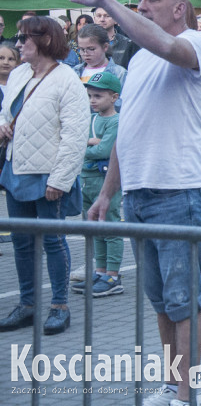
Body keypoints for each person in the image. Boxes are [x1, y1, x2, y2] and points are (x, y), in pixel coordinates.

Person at [72, 0, 201, 406]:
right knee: (161, 303)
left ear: (179, 8)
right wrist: (107, 192)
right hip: (139, 195)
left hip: (182, 194)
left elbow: (165, 45)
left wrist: (106, 1)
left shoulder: (199, 43)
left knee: (184, 302)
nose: (141, 5)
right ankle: (170, 383)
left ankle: (186, 392)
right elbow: (129, 130)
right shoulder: (138, 61)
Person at [0, 17, 89, 335]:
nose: (18, 43)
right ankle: (27, 305)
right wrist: (3, 125)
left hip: (48, 175)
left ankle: (59, 306)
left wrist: (60, 179)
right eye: (18, 37)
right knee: (22, 243)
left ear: (45, 40)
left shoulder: (67, 80)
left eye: (24, 38)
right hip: (16, 171)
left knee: (53, 241)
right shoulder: (19, 74)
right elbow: (6, 112)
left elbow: (75, 136)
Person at [71, 72, 123, 298]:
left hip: (105, 180)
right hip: (87, 180)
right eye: (90, 95)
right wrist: (89, 143)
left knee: (110, 226)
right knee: (95, 229)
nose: (92, 100)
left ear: (114, 97)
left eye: (98, 96)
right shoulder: (91, 119)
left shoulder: (116, 120)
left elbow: (104, 150)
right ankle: (100, 271)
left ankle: (112, 274)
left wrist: (83, 147)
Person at [72, 24, 128, 104]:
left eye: (91, 49)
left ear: (105, 47)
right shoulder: (75, 71)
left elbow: (123, 103)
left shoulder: (119, 73)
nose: (85, 53)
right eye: (81, 49)